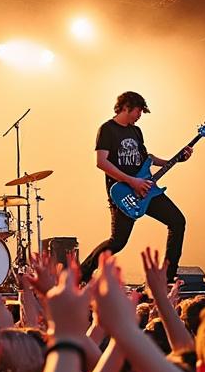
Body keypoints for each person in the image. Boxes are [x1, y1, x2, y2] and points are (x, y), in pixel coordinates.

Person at [79, 92, 191, 283]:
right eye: (139, 110)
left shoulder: (136, 131)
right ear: (126, 107)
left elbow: (147, 159)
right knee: (118, 242)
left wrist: (176, 159)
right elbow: (101, 162)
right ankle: (80, 274)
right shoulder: (107, 129)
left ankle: (167, 276)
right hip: (123, 193)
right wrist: (132, 181)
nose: (140, 115)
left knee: (177, 222)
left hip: (146, 189)